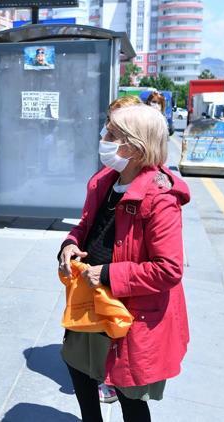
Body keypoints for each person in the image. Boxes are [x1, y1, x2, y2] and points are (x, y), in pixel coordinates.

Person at [58, 104, 190, 422]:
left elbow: (169, 268)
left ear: (134, 145)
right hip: (90, 299)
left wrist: (108, 274)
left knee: (129, 394)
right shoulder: (106, 181)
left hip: (129, 310)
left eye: (112, 133)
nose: (103, 138)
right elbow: (86, 225)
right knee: (79, 367)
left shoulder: (160, 197)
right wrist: (70, 245)